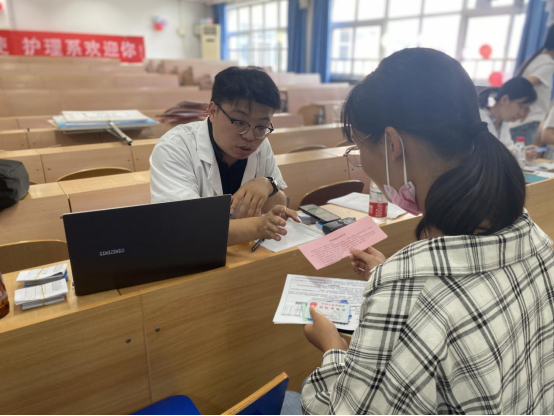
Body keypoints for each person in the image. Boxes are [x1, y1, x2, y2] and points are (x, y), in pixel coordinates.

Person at [297, 48, 554, 415]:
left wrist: (334, 350)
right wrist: (397, 282)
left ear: (391, 144)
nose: (362, 163)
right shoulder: (534, 236)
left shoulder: (407, 288)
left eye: (359, 147)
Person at [150, 66, 300, 246]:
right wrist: (259, 226)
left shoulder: (260, 142)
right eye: (239, 122)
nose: (250, 136)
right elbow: (187, 228)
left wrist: (268, 185)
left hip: (241, 251)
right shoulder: (175, 147)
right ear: (213, 111)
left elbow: (279, 207)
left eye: (261, 126)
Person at [510, 25, 554, 145]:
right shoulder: (548, 64)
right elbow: (524, 85)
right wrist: (525, 107)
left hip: (524, 123)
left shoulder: (540, 58)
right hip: (528, 122)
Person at [478, 77, 537, 151]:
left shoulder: (502, 123)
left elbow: (507, 149)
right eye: (520, 106)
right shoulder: (479, 119)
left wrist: (523, 152)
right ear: (504, 100)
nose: (521, 114)